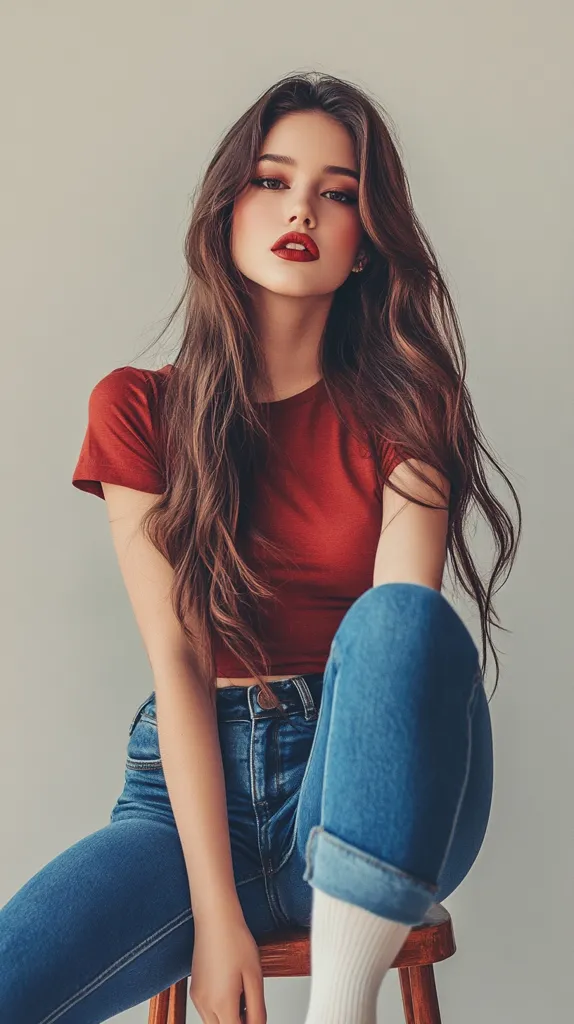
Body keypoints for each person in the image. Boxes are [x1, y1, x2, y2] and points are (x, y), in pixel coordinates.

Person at [0, 71, 521, 1024]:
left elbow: (394, 656)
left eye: (338, 193)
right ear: (225, 209)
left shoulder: (409, 409)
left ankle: (342, 1006)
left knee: (402, 617)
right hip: (191, 807)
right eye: (273, 181)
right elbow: (181, 658)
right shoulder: (138, 410)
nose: (302, 211)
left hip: (361, 782)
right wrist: (215, 913)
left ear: (368, 245)